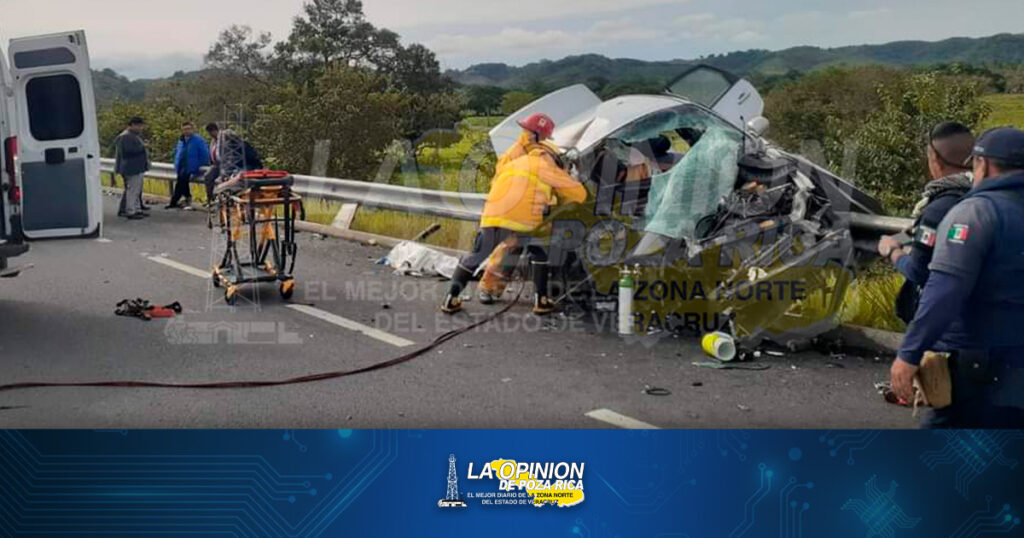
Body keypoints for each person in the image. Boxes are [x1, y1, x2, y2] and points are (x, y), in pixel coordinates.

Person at [891, 127, 1024, 428]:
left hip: (978, 367)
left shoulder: (975, 213)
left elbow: (944, 292)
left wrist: (908, 354)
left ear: (983, 165)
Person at [440, 112, 586, 316]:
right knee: (539, 251)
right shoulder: (546, 164)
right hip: (523, 219)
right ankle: (541, 302)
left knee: (475, 256)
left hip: (492, 214)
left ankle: (450, 300)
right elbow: (579, 194)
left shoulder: (512, 160)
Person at [877, 122, 975, 324]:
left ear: (935, 162)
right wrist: (903, 236)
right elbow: (922, 233)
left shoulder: (939, 209)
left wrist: (892, 251)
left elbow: (919, 270)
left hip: (947, 323)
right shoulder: (985, 196)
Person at [167, 122, 210, 210]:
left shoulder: (198, 140)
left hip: (192, 165)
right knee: (182, 182)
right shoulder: (182, 140)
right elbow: (178, 153)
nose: (186, 131)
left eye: (188, 129)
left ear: (192, 129)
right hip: (181, 165)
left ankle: (174, 201)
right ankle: (187, 198)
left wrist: (199, 164)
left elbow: (205, 154)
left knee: (180, 182)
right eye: (184, 129)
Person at [113, 116, 149, 220]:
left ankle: (137, 210)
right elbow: (127, 152)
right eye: (139, 126)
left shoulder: (133, 135)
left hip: (136, 167)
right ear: (133, 125)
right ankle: (130, 211)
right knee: (132, 190)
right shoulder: (126, 136)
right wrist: (143, 147)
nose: (141, 128)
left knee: (136, 190)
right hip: (131, 167)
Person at [202, 122, 222, 205]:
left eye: (210, 132)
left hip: (224, 164)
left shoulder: (223, 139)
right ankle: (210, 199)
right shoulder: (213, 141)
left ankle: (219, 199)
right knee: (208, 176)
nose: (210, 135)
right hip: (215, 165)